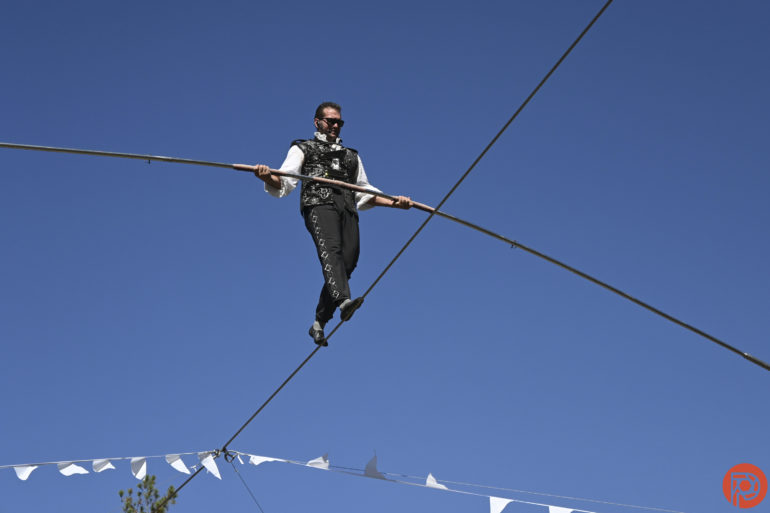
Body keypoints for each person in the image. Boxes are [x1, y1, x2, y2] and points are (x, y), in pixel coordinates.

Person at [254, 102, 413, 345]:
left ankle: (319, 321)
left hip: (346, 207)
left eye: (339, 122)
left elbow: (364, 190)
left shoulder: (352, 156)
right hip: (319, 204)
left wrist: (395, 202)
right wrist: (267, 176)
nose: (335, 126)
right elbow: (285, 180)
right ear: (317, 122)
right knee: (331, 251)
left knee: (349, 260)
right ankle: (343, 302)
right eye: (330, 121)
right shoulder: (302, 148)